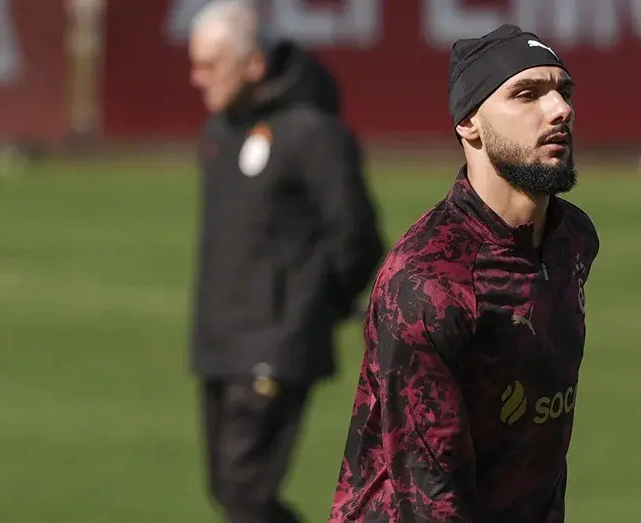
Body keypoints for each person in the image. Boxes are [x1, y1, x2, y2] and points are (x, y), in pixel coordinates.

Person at [329, 23, 599, 523]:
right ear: (469, 123)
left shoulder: (573, 239)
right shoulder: (428, 283)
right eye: (527, 94)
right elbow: (429, 498)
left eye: (563, 91)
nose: (559, 109)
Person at [187, 1, 384, 522]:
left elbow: (358, 235)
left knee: (245, 492)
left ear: (254, 63)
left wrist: (314, 306)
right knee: (230, 491)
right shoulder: (220, 132)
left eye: (210, 65)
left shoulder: (313, 133)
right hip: (219, 343)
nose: (196, 78)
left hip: (278, 342)